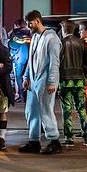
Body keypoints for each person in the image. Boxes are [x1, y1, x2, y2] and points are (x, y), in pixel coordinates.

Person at [20, 10, 63, 154]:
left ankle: (54, 140)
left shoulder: (52, 38)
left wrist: (52, 82)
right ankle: (34, 141)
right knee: (31, 110)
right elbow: (31, 59)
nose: (28, 26)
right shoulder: (36, 37)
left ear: (37, 21)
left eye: (30, 24)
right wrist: (26, 77)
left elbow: (54, 63)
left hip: (44, 80)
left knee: (46, 110)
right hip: (34, 80)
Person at [58, 21, 87, 146]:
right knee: (81, 109)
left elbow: (58, 61)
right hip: (79, 80)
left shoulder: (62, 43)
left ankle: (69, 138)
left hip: (65, 80)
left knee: (67, 109)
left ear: (64, 30)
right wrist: (85, 75)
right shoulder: (82, 42)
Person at [7, 19, 32, 99]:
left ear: (17, 25)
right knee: (25, 76)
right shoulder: (29, 33)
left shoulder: (16, 34)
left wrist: (9, 42)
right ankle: (23, 94)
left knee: (18, 76)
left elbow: (13, 44)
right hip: (27, 57)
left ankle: (21, 94)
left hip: (19, 57)